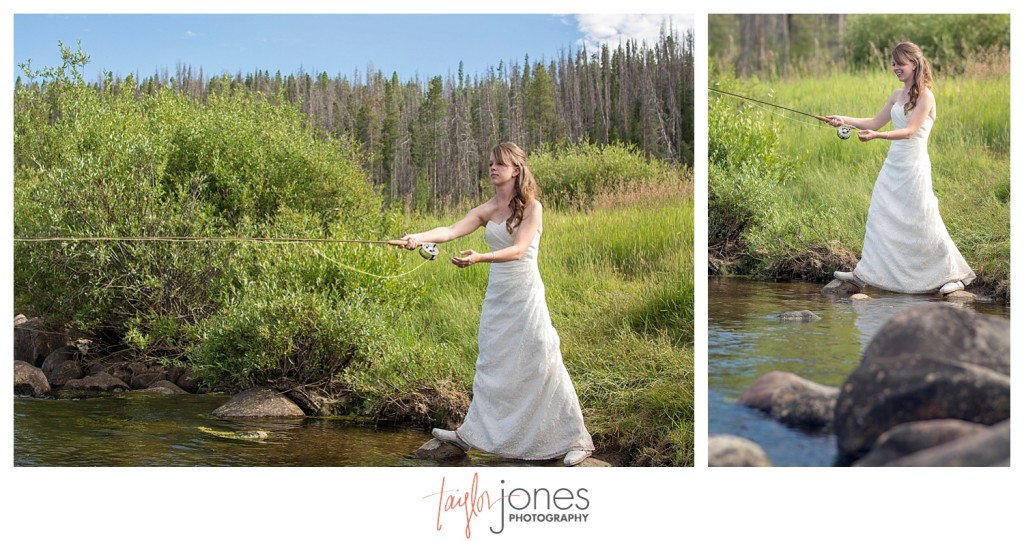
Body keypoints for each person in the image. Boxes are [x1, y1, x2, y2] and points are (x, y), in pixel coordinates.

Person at [393, 142, 595, 466]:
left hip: (525, 294)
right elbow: (450, 230)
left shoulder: (533, 207)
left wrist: (481, 257)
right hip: (497, 297)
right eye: (490, 163)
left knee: (542, 357)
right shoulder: (486, 209)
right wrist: (417, 236)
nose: (492, 168)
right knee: (491, 364)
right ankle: (469, 434)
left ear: (515, 170)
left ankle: (576, 438)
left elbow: (518, 250)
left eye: (499, 164)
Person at [825, 41, 975, 295]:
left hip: (914, 166)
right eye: (893, 63)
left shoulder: (927, 96)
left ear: (914, 64)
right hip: (892, 166)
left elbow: (909, 131)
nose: (895, 67)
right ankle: (864, 272)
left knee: (923, 218)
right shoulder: (896, 95)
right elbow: (875, 121)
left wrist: (876, 137)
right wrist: (843, 119)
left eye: (900, 63)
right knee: (879, 215)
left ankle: (954, 275)